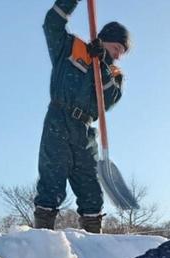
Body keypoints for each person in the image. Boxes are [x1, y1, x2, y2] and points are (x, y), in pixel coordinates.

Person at [34, 0, 131, 233]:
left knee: (90, 188)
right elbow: (51, 24)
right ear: (105, 39)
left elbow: (108, 100)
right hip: (58, 118)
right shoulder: (70, 48)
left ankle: (93, 242)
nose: (118, 56)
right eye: (117, 49)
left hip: (85, 131)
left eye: (121, 53)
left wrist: (103, 64)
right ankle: (43, 238)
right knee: (52, 180)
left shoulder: (115, 75)